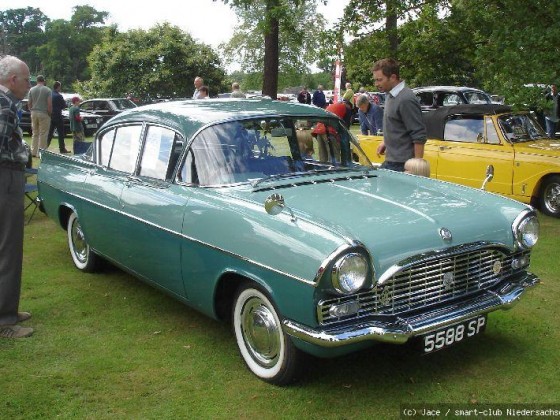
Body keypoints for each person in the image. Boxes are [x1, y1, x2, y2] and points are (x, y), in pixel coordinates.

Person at [0, 55, 34, 339]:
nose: (29, 85)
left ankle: (7, 308)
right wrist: (22, 154)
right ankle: (5, 320)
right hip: (5, 176)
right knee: (8, 247)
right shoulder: (5, 105)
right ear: (13, 80)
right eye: (26, 80)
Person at [372, 58, 427, 172]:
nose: (376, 84)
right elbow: (397, 125)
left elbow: (419, 135)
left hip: (404, 165)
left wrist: (416, 168)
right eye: (375, 80)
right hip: (392, 160)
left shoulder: (406, 99)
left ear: (392, 77)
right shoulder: (390, 94)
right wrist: (386, 142)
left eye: (379, 80)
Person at [27, 74, 52, 157]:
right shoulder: (47, 90)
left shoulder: (31, 89)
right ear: (43, 81)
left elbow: (29, 103)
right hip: (44, 112)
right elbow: (49, 104)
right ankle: (41, 153)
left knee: (35, 133)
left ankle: (33, 151)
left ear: (37, 81)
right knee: (43, 133)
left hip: (34, 112)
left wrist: (31, 110)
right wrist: (49, 113)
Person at [47, 81, 69, 153]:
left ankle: (45, 146)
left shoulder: (50, 94)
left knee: (50, 133)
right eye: (60, 87)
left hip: (51, 115)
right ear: (58, 87)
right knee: (61, 133)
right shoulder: (59, 96)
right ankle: (62, 148)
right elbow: (64, 106)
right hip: (58, 115)